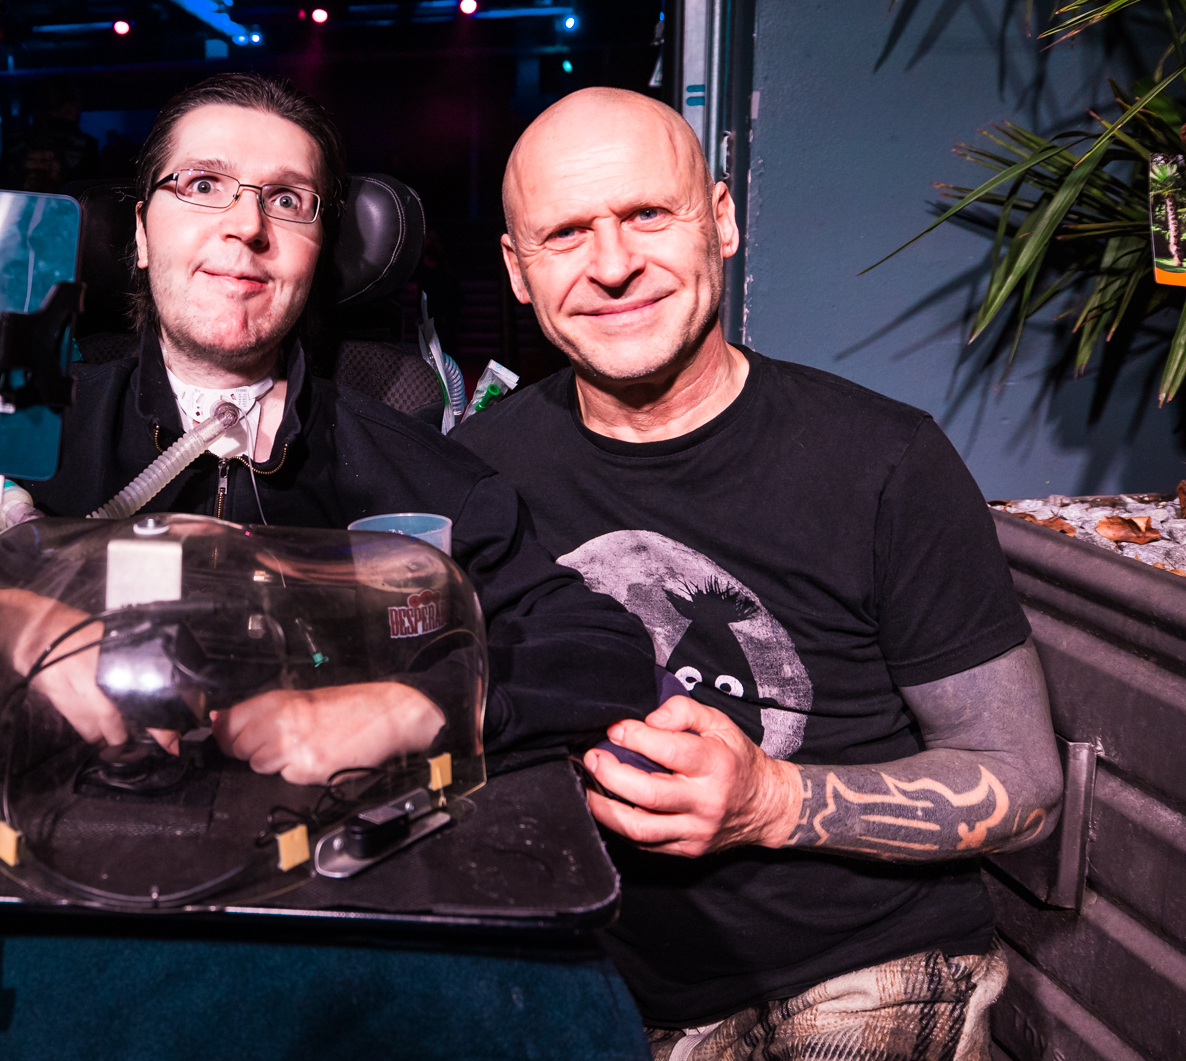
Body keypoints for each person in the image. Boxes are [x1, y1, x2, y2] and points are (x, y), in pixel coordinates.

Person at [453, 87, 1063, 1061]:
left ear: (722, 222)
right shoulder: (477, 475)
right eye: (565, 233)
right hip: (590, 973)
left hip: (861, 965)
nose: (612, 264)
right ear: (518, 272)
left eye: (648, 214)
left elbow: (1024, 779)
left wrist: (772, 801)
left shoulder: (883, 460)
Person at [0, 71, 655, 791]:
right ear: (140, 233)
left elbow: (601, 650)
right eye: (202, 184)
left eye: (288, 199)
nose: (246, 224)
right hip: (55, 851)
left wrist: (417, 705)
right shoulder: (25, 428)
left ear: (318, 250)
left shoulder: (411, 467)